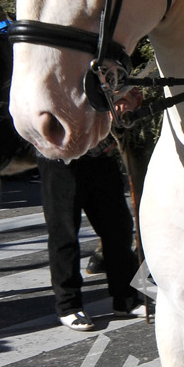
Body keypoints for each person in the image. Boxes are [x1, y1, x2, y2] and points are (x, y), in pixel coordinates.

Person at [38, 129, 141, 331]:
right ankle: (68, 305)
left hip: (99, 151)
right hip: (58, 154)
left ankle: (125, 299)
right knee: (64, 231)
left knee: (118, 226)